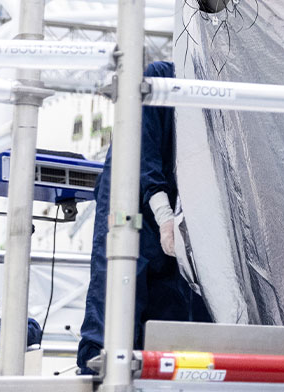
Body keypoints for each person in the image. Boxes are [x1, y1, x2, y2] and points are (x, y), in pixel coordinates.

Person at [78, 59, 213, 374]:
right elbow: (144, 152)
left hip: (173, 211)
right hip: (131, 203)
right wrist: (164, 212)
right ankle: (103, 373)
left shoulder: (215, 92)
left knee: (175, 310)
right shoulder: (160, 79)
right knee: (118, 303)